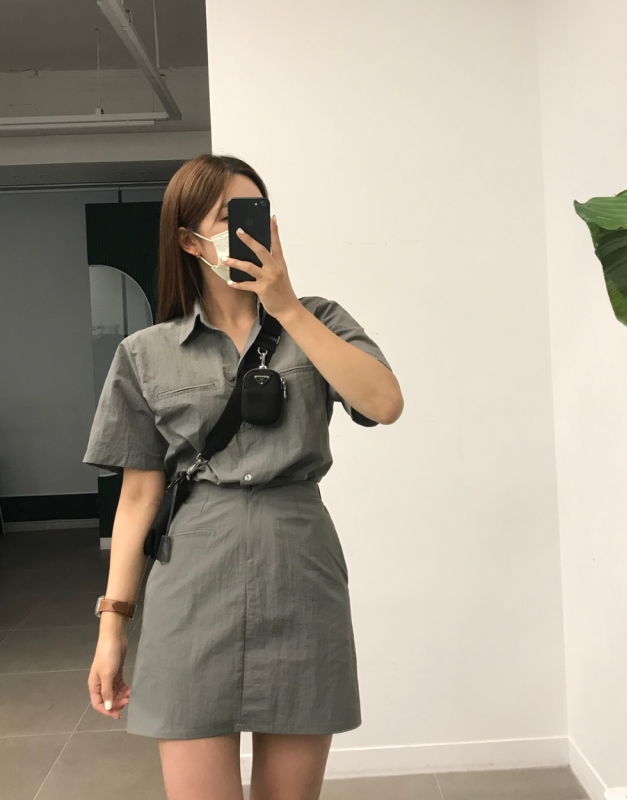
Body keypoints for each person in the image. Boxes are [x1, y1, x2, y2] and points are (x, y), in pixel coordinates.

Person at [83, 153, 403, 800]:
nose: (245, 229)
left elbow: (384, 403)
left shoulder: (319, 320)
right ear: (188, 240)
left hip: (299, 571)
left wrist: (286, 307)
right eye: (227, 217)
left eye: (254, 213)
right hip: (192, 582)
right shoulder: (146, 353)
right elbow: (138, 497)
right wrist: (112, 626)